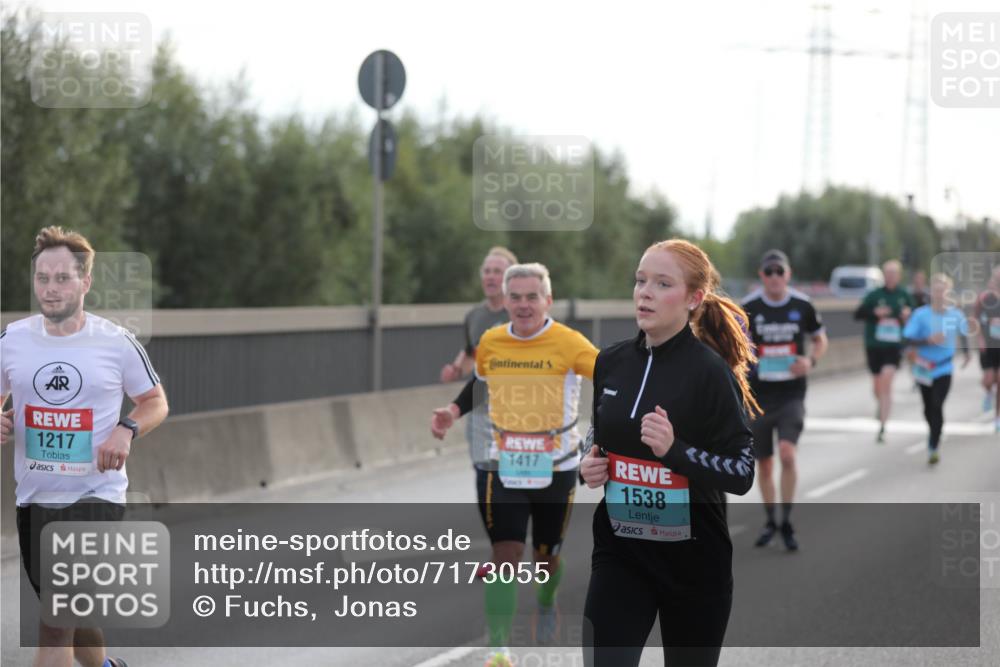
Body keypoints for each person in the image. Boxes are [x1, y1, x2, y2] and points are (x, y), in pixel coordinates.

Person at [578, 239, 759, 667]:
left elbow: (742, 471)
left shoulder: (710, 374)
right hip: (621, 555)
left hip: (695, 564)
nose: (645, 292)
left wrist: (674, 451)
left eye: (662, 283)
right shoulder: (611, 362)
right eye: (641, 281)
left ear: (693, 299)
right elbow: (597, 432)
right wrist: (589, 462)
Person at [1, 227, 169, 667]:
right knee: (74, 611)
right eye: (42, 278)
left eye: (62, 278)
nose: (51, 289)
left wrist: (126, 429)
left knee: (56, 620)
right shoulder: (13, 340)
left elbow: (155, 402)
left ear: (85, 283)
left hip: (95, 496)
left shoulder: (114, 341)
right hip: (34, 499)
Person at [430, 263, 598, 667]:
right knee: (505, 554)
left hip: (556, 469)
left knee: (546, 558)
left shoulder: (570, 343)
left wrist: (603, 437)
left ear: (547, 301)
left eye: (532, 297)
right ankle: (499, 651)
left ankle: (546, 597)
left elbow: (612, 381)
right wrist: (453, 411)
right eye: (516, 298)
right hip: (504, 465)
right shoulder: (491, 341)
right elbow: (481, 384)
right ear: (504, 301)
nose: (524, 305)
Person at [741, 250, 827, 551]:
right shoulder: (749, 307)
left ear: (788, 274)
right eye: (769, 272)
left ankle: (787, 519)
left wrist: (810, 361)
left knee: (787, 454)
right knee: (764, 465)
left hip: (791, 393)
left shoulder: (802, 305)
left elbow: (820, 339)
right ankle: (771, 520)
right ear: (761, 276)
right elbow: (736, 346)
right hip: (759, 396)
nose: (775, 277)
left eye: (780, 271)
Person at [903, 273, 971, 464]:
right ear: (931, 292)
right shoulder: (921, 314)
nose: (940, 294)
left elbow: (964, 334)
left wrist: (967, 353)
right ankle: (934, 431)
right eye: (936, 290)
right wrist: (928, 340)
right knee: (927, 409)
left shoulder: (955, 315)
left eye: (943, 290)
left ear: (948, 293)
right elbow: (907, 338)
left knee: (936, 404)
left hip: (944, 367)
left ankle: (934, 443)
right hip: (924, 368)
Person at [853, 259, 915, 442]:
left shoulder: (904, 295)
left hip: (893, 346)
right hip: (874, 345)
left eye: (894, 273)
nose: (890, 277)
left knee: (887, 380)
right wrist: (875, 313)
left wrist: (907, 315)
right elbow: (857, 314)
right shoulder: (874, 295)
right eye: (887, 273)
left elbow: (916, 315)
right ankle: (880, 405)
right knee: (877, 384)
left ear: (899, 275)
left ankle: (883, 426)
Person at [973, 266, 1000, 424]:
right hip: (988, 346)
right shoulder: (984, 298)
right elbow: (975, 320)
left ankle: (997, 416)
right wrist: (980, 339)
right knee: (988, 380)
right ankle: (988, 393)